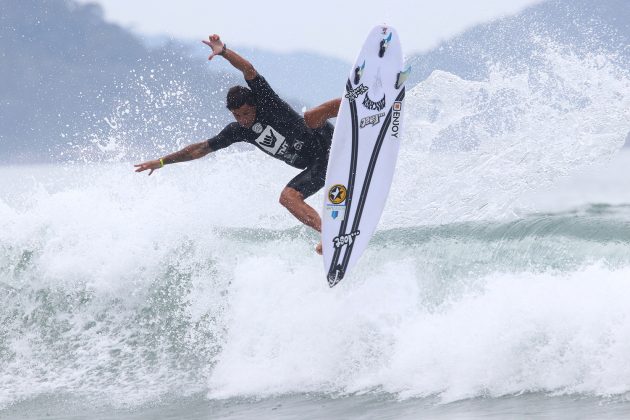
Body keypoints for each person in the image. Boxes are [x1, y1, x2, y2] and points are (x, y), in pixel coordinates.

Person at [134, 34, 340, 254]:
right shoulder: (238, 131)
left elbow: (248, 69)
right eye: (236, 115)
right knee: (287, 198)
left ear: (254, 105)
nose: (242, 120)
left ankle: (354, 105)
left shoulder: (267, 101)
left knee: (309, 117)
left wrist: (223, 52)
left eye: (245, 113)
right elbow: (199, 149)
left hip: (327, 140)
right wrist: (163, 161)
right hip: (319, 165)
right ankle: (328, 233)